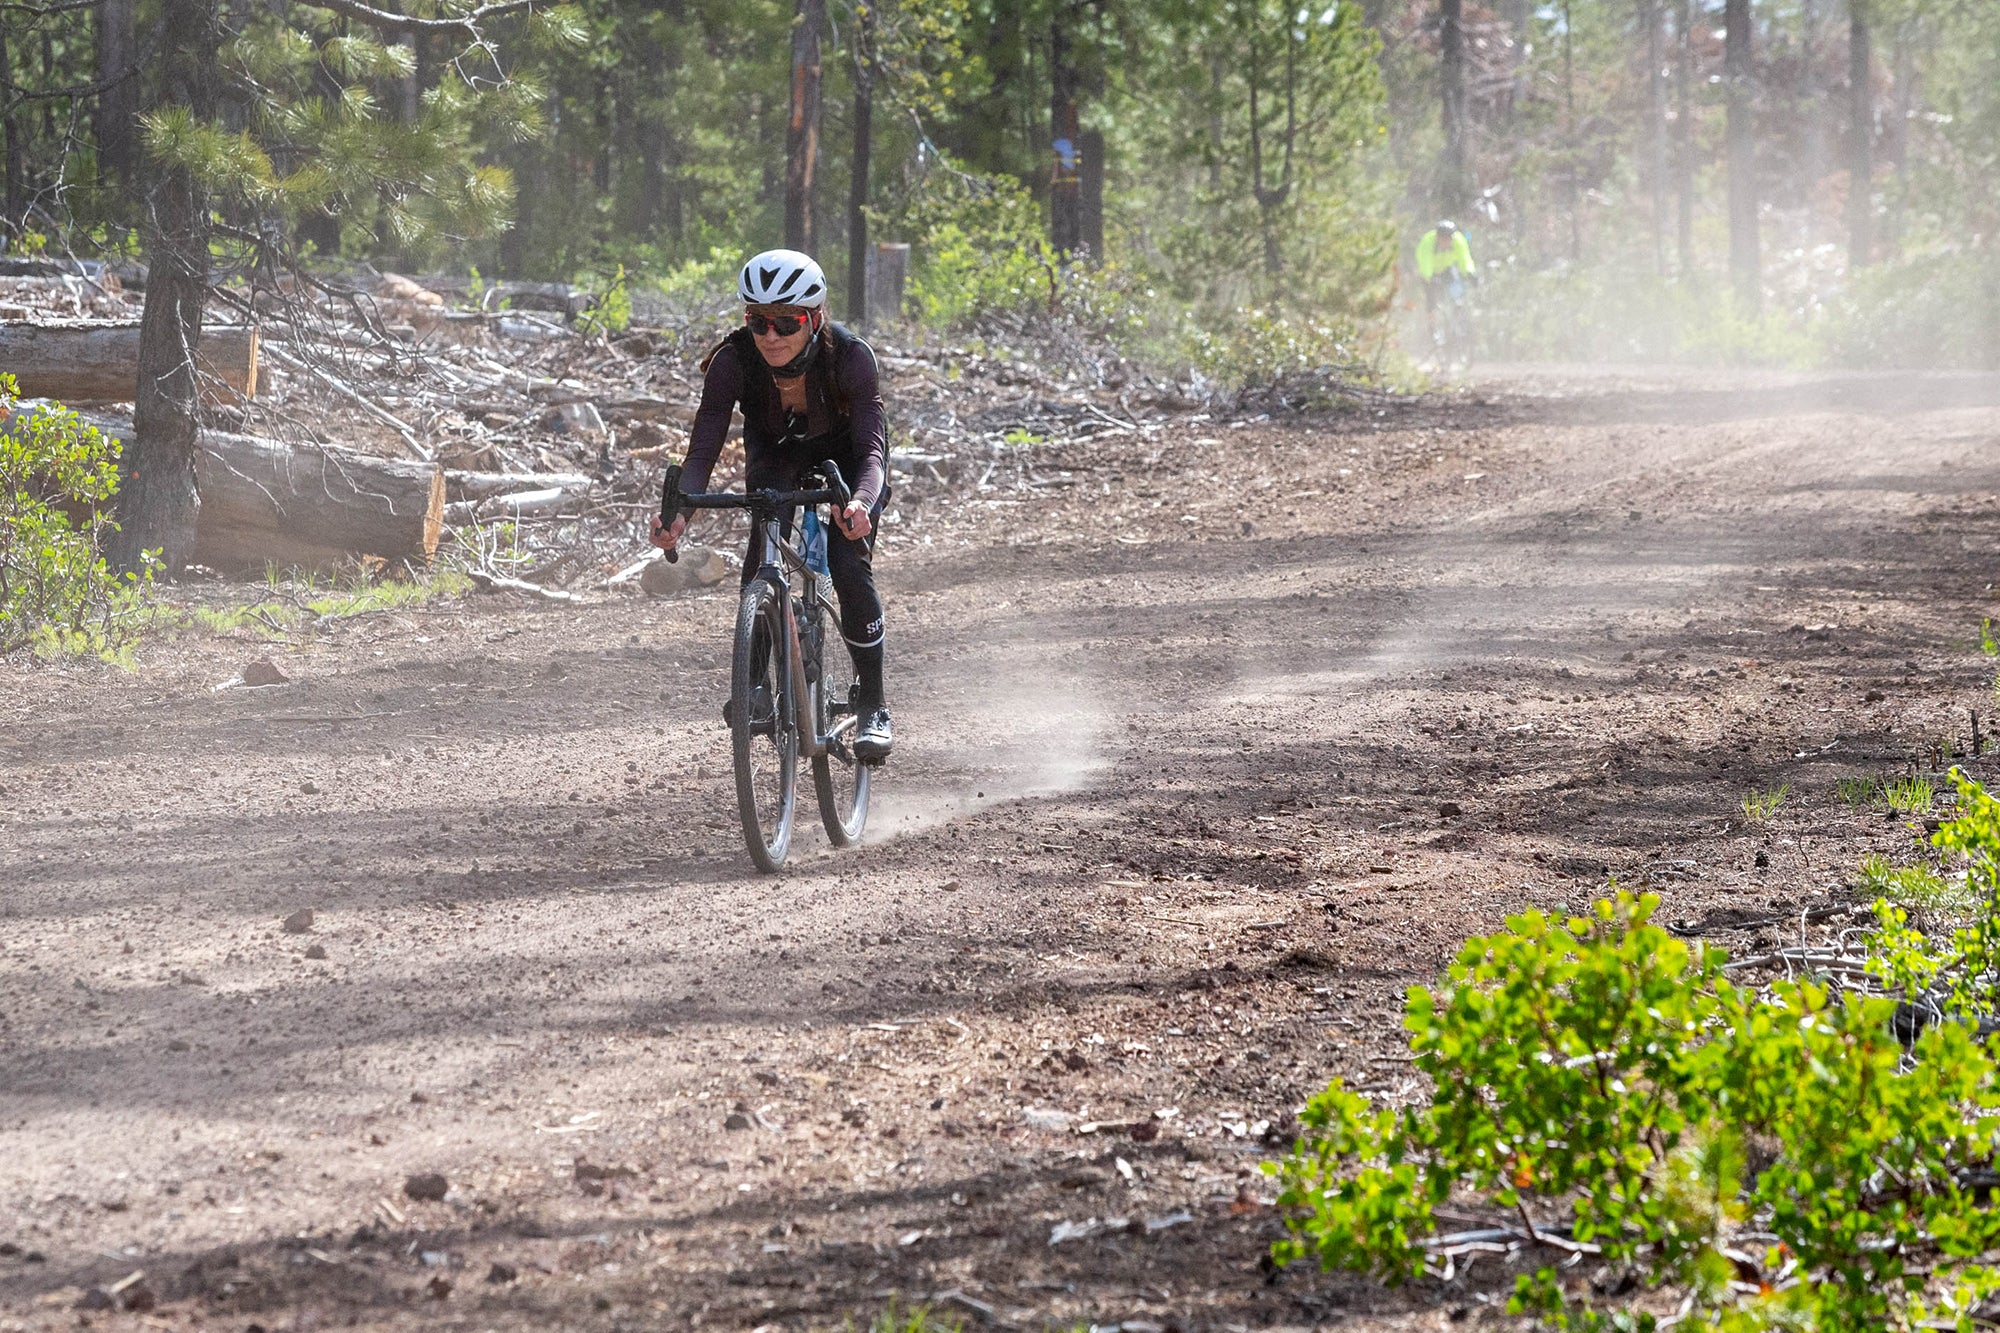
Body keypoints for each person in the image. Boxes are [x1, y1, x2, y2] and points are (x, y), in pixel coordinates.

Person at [650, 248, 894, 762]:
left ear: (815, 319)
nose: (771, 336)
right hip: (776, 456)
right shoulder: (731, 362)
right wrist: (680, 515)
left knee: (850, 564)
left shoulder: (851, 357)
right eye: (758, 322)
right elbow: (704, 449)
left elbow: (872, 450)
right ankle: (755, 684)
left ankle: (872, 703)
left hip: (847, 460)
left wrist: (863, 505)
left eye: (787, 322)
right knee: (764, 541)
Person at [1415, 219, 1476, 347]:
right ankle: (1433, 328)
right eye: (1443, 239)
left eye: (1449, 238)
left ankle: (1457, 321)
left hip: (1447, 268)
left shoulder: (1458, 240)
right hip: (1430, 272)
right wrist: (1429, 277)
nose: (1446, 242)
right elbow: (1424, 262)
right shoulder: (1427, 242)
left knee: (1456, 292)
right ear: (1437, 237)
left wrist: (1470, 273)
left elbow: (1465, 259)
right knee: (1431, 301)